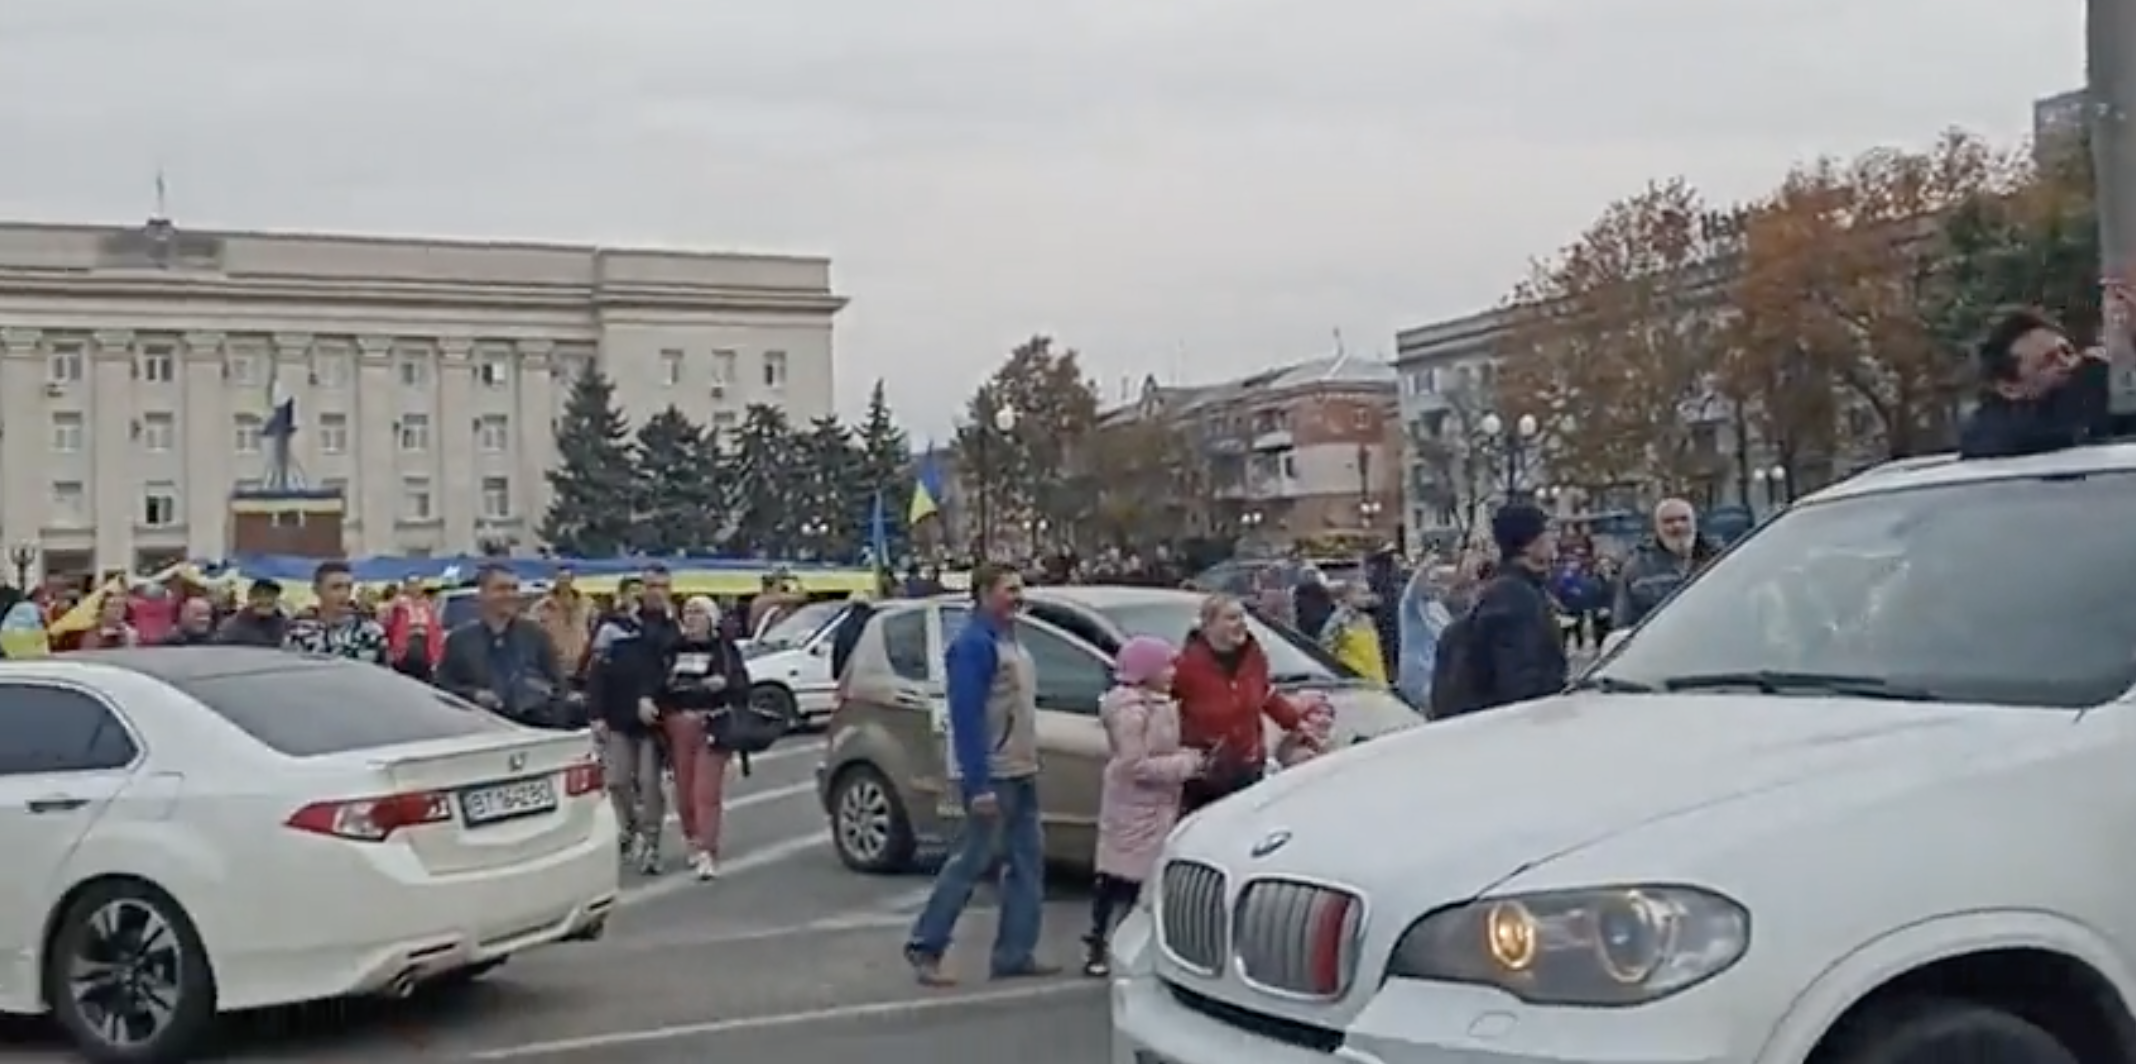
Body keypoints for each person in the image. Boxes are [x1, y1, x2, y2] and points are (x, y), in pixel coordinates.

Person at [903, 563, 1054, 986]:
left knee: (1028, 862)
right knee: (971, 861)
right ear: (985, 593)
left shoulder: (1009, 639)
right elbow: (966, 717)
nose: (1019, 596)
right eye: (1010, 588)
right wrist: (978, 783)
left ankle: (1014, 952)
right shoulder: (973, 645)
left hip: (1022, 769)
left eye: (1020, 587)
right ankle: (925, 945)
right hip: (995, 773)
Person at [1085, 635, 1200, 977]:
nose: (1172, 672)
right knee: (1119, 876)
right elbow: (1134, 765)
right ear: (1145, 670)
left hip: (1156, 804)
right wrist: (1187, 765)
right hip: (1132, 805)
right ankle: (1101, 944)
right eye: (1165, 665)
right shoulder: (1130, 712)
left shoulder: (1159, 704)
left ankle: (1121, 942)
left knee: (1136, 877)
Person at [1171, 593, 1319, 813]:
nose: (1240, 624)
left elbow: (1266, 695)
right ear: (1208, 625)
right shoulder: (1186, 666)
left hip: (1249, 764)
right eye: (1231, 618)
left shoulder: (1254, 657)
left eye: (1242, 617)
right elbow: (1162, 707)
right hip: (1206, 773)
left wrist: (1296, 724)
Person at [589, 565, 683, 872]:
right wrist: (596, 713)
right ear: (641, 588)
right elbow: (598, 672)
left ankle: (651, 843)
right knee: (616, 781)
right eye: (652, 585)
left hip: (652, 721)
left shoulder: (672, 630)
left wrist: (654, 699)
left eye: (663, 586)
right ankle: (629, 828)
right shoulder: (616, 626)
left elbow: (671, 675)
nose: (657, 591)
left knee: (649, 783)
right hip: (618, 714)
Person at [658, 595, 754, 880]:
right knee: (684, 791)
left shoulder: (724, 650)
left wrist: (724, 685)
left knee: (706, 791)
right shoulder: (672, 649)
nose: (691, 619)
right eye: (687, 613)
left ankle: (707, 849)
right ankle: (692, 838)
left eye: (698, 613)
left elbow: (742, 686)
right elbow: (659, 684)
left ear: (711, 619)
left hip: (712, 724)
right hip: (678, 725)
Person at [1958, 306, 2113, 459]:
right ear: (2009, 388)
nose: (2068, 363)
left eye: (2067, 352)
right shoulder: (1992, 433)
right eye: (2048, 362)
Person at [1467, 502, 1568, 712]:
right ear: (1530, 544)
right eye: (1549, 534)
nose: (1554, 541)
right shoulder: (1514, 596)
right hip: (1527, 724)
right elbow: (1519, 678)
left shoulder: (1520, 588)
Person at [436, 564, 565, 725]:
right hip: (482, 730)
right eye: (501, 588)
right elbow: (442, 689)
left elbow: (559, 685)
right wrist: (474, 695)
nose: (510, 595)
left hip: (533, 729)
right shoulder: (460, 641)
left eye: (514, 588)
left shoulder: (535, 635)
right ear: (483, 594)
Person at [1613, 498, 1716, 630]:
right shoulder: (1637, 567)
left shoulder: (1720, 557)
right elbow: (1623, 623)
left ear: (1694, 522)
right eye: (1668, 521)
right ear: (1656, 527)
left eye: (1684, 519)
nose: (1677, 525)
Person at [284, 561, 387, 662]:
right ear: (316, 590)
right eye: (336, 587)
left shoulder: (370, 631)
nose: (344, 594)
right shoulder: (297, 632)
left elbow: (385, 671)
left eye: (348, 587)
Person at [534, 566, 594, 678]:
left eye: (567, 578)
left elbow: (594, 629)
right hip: (554, 661)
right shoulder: (541, 606)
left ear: (572, 580)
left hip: (582, 661)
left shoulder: (587, 603)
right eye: (561, 578)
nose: (564, 582)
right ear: (555, 580)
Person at [383, 576, 443, 681]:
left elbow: (436, 631)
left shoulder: (428, 606)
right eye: (411, 584)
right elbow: (388, 626)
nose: (415, 588)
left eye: (417, 584)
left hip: (425, 650)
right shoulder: (398, 605)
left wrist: (437, 655)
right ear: (406, 586)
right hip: (404, 650)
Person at [216, 579, 290, 647]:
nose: (266, 600)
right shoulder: (231, 626)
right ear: (249, 598)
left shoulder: (284, 623)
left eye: (271, 595)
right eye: (259, 595)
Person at [828, 589, 876, 681]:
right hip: (874, 675)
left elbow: (840, 653)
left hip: (852, 676)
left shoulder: (845, 626)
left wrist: (837, 674)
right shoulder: (875, 621)